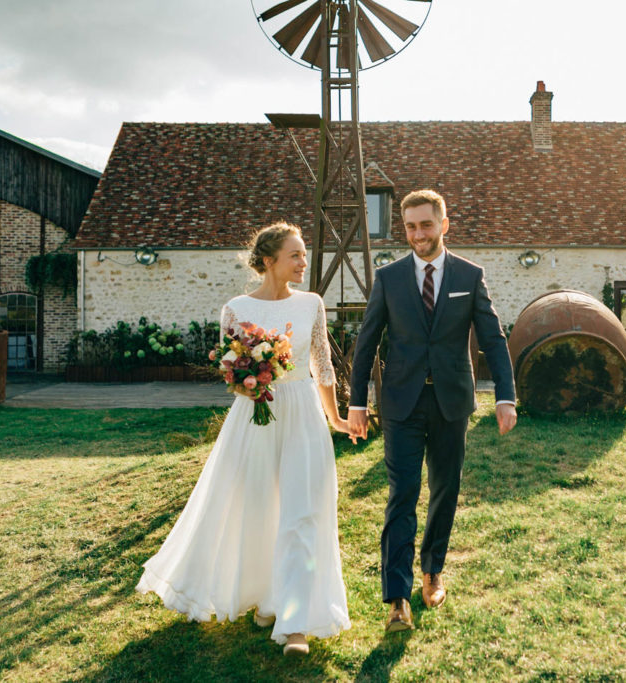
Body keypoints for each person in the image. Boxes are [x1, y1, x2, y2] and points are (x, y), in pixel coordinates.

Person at [136, 222, 353, 656]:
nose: (303, 262)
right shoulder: (234, 308)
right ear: (269, 261)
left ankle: (296, 625)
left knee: (302, 513)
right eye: (295, 254)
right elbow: (231, 374)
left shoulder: (312, 303)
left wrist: (336, 419)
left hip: (304, 415)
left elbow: (322, 368)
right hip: (256, 414)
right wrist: (251, 376)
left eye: (303, 254)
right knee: (255, 507)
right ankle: (265, 598)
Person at [348, 189, 517, 632]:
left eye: (426, 224)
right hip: (401, 405)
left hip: (451, 403)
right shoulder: (389, 278)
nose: (418, 234)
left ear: (444, 224)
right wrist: (357, 403)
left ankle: (432, 570)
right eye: (410, 226)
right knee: (401, 495)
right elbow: (366, 343)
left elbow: (494, 338)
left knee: (445, 491)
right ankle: (397, 597)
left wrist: (505, 395)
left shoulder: (469, 274)